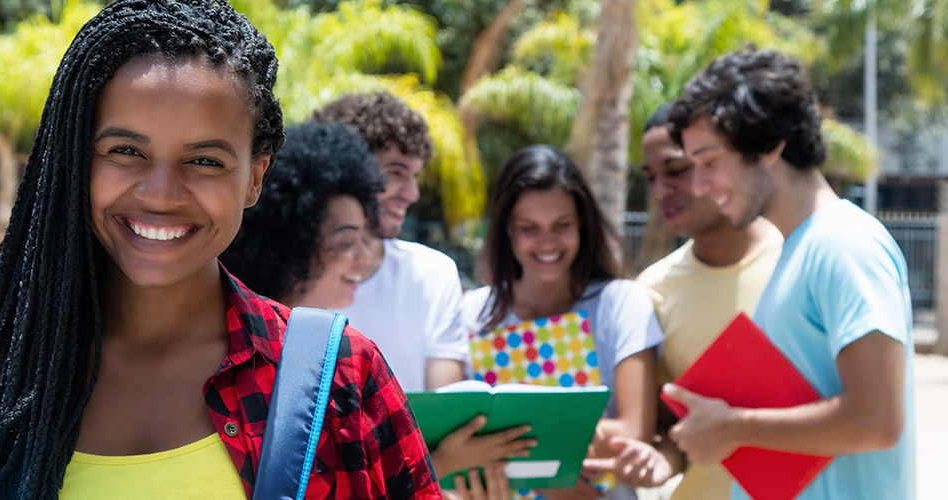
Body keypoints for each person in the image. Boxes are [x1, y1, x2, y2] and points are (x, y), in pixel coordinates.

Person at [0, 1, 440, 498]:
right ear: (77, 159)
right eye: (125, 151)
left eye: (205, 161)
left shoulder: (340, 378)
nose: (161, 193)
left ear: (255, 177)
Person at [663, 45, 915, 500]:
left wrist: (733, 428)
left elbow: (877, 420)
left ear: (769, 142)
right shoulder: (798, 250)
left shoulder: (843, 244)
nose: (699, 186)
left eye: (709, 161)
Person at [310, 92, 534, 481]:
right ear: (344, 168)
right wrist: (440, 464)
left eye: (415, 176)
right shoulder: (285, 277)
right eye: (395, 173)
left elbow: (445, 417)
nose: (411, 194)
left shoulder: (433, 272)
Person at [594, 104, 783, 499]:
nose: (661, 190)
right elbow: (670, 428)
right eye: (650, 177)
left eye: (676, 170)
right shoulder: (654, 289)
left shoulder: (795, 261)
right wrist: (662, 461)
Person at [460, 144, 663, 500]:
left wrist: (504, 448)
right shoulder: (473, 314)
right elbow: (457, 444)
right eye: (529, 228)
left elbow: (633, 435)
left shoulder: (622, 303)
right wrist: (560, 464)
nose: (547, 242)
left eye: (562, 225)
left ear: (582, 222)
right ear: (507, 229)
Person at [220, 121, 380, 309]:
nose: (366, 257)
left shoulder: (337, 334)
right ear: (291, 247)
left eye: (364, 239)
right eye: (346, 242)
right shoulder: (242, 333)